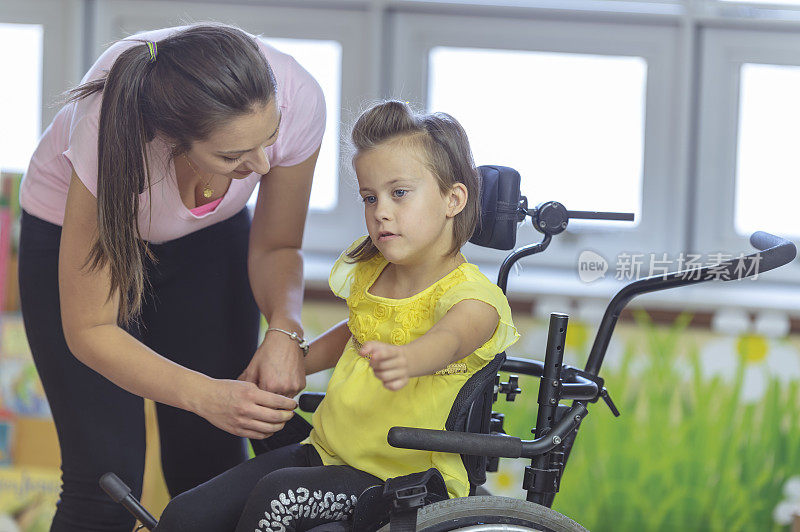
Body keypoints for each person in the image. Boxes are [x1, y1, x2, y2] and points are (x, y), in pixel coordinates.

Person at [154, 100, 520, 532]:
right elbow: (355, 331)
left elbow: (453, 339)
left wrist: (409, 358)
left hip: (394, 478)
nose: (381, 210)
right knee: (185, 515)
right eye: (370, 197)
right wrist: (297, 359)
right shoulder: (374, 273)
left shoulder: (475, 299)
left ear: (452, 199)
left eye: (399, 193)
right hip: (326, 451)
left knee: (279, 501)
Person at [18, 23, 325, 531]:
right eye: (232, 157)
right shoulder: (113, 129)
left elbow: (277, 245)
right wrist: (206, 394)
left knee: (210, 468)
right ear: (174, 141)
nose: (264, 164)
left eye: (269, 140)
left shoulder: (297, 97)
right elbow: (91, 329)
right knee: (104, 481)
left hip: (210, 243)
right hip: (69, 234)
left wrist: (283, 330)